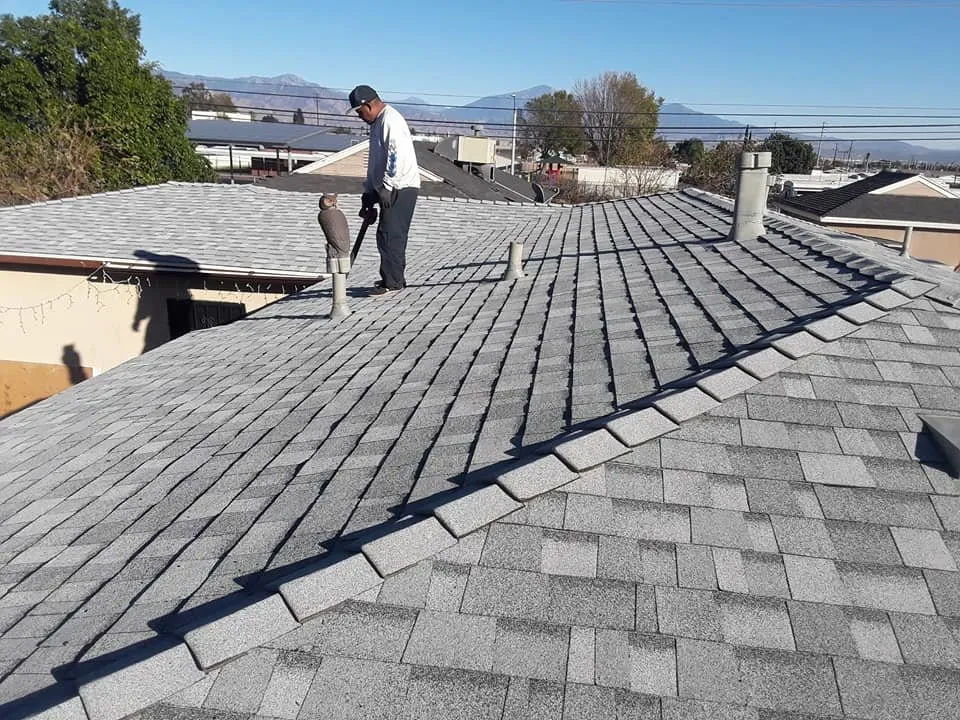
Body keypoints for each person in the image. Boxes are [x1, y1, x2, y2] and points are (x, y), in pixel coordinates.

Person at [348, 84, 420, 296]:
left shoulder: (390, 120)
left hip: (400, 186)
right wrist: (369, 191)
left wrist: (387, 186)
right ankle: (391, 278)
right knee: (384, 234)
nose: (359, 117)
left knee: (390, 234)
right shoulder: (377, 123)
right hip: (387, 186)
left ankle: (393, 282)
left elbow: (395, 156)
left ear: (369, 106)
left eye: (360, 112)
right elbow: (375, 161)